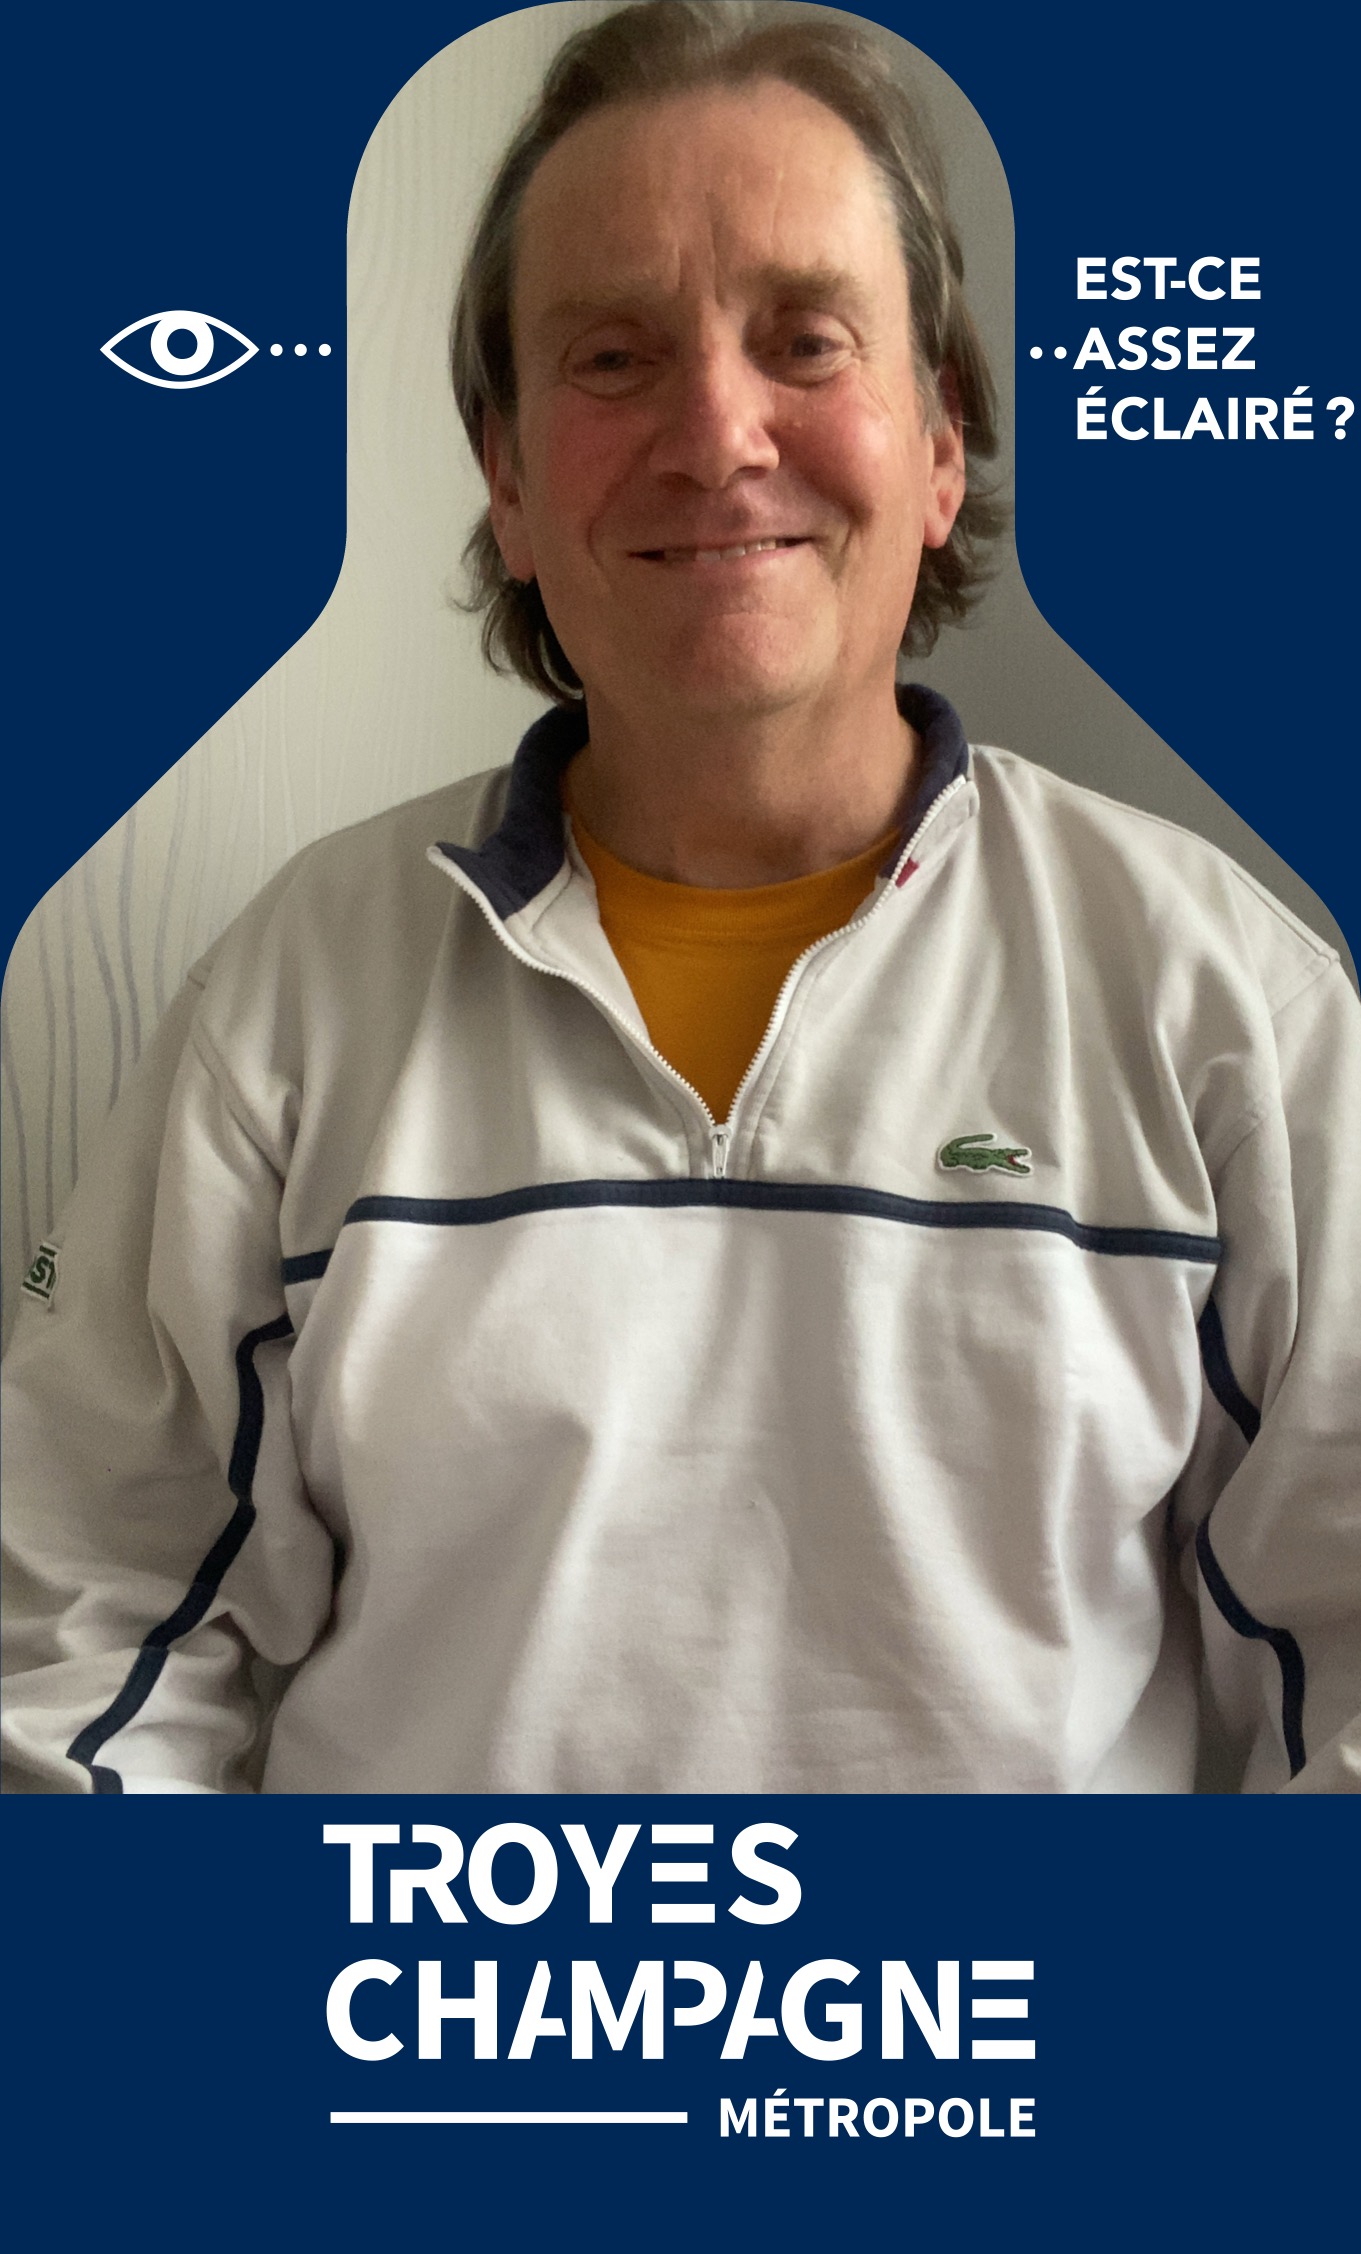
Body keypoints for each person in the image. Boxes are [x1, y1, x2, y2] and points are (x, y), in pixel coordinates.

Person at [3, 1, 1358, 1795]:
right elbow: (87, 1629)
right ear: (505, 478)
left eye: (804, 339)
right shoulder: (291, 999)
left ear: (939, 444)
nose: (716, 433)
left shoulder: (1225, 1002)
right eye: (613, 356)